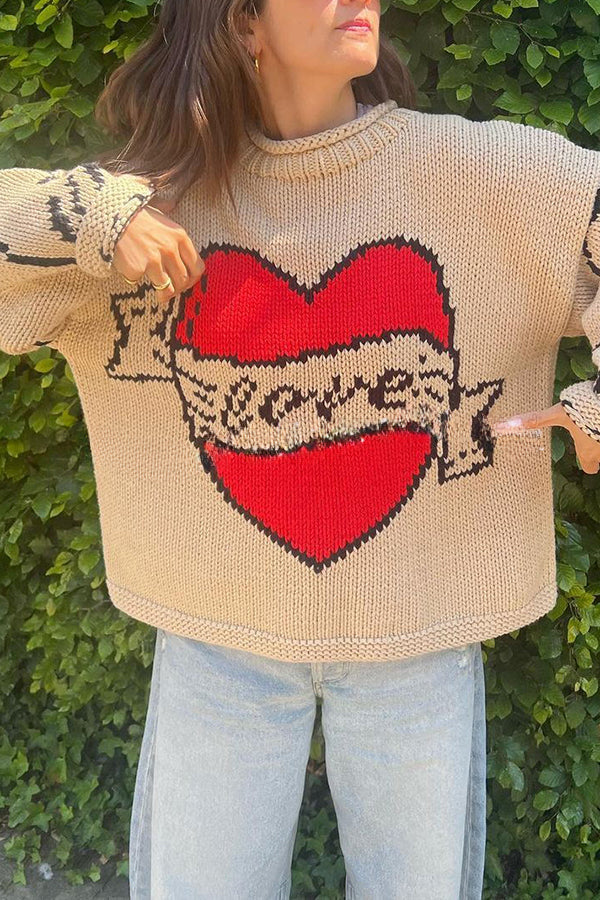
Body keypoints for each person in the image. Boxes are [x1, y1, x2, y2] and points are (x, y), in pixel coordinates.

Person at [1, 1, 600, 898]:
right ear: (243, 22)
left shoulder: (487, 176)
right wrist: (94, 215)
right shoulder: (154, 204)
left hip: (415, 639)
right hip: (216, 643)